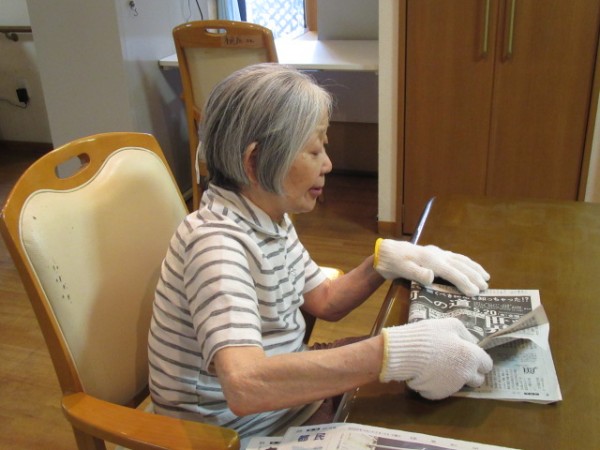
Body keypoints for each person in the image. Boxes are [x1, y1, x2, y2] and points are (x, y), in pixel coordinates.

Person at [148, 63, 493, 441]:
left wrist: (382, 264)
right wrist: (390, 354)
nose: (327, 163)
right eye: (314, 150)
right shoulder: (215, 244)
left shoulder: (268, 218)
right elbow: (245, 386)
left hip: (290, 401)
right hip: (237, 435)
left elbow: (325, 300)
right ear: (255, 162)